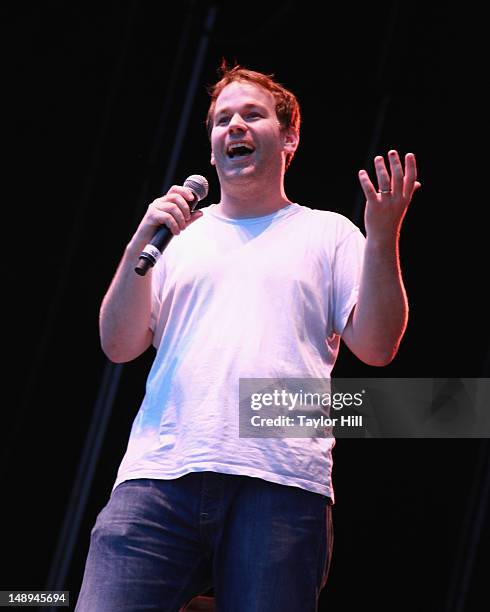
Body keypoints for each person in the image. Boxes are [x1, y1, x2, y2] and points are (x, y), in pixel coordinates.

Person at [75, 64, 420, 611]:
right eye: (221, 120)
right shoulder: (179, 238)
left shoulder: (327, 232)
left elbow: (378, 346)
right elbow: (118, 344)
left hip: (279, 484)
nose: (233, 126)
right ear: (211, 151)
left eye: (251, 115)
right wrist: (142, 237)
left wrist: (383, 237)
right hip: (159, 476)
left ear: (289, 138)